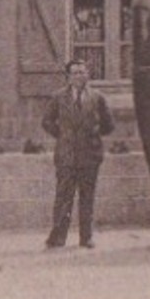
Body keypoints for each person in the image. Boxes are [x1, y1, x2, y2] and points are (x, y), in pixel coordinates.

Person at [41, 58, 115, 249]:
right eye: (75, 73)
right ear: (68, 77)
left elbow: (109, 125)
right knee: (63, 197)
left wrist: (92, 136)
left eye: (82, 72)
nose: (79, 76)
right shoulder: (58, 98)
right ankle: (58, 237)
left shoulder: (97, 97)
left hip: (89, 155)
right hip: (66, 155)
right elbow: (47, 122)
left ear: (88, 75)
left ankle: (86, 237)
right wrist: (64, 136)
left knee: (87, 197)